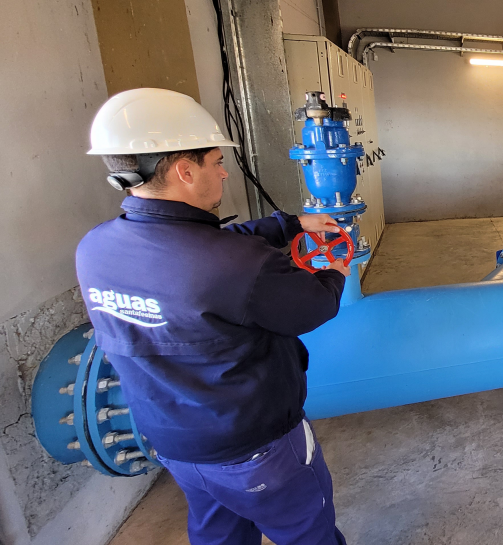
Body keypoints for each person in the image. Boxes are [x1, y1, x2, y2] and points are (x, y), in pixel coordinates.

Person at [75, 88, 350, 545]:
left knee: (220, 537)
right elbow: (312, 305)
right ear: (185, 170)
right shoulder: (237, 264)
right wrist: (336, 273)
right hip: (256, 450)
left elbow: (199, 247)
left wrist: (288, 224)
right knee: (309, 534)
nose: (224, 172)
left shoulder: (94, 248)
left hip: (175, 445)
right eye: (217, 162)